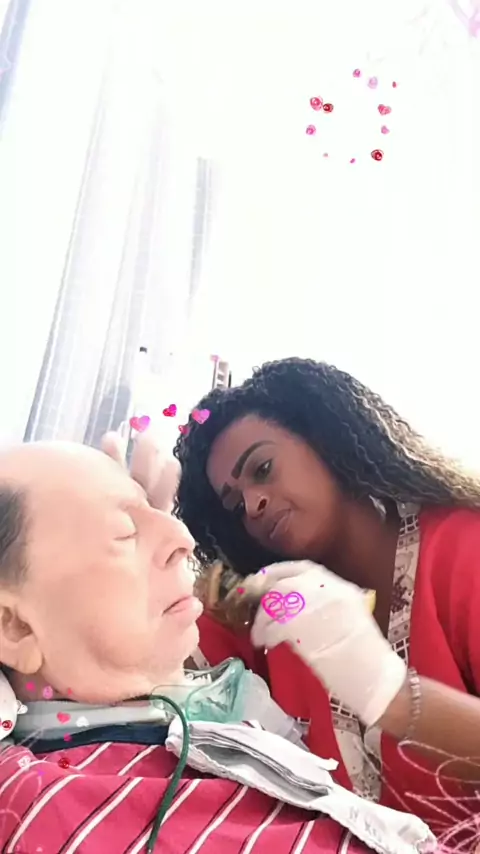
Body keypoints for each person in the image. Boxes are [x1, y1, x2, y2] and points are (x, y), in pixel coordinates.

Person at [0, 440, 432, 854]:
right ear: (15, 627)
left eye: (157, 510)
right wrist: (389, 695)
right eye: (124, 533)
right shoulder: (59, 810)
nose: (183, 538)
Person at [173, 356, 480, 843]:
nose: (252, 504)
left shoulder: (465, 548)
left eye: (262, 469)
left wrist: (393, 696)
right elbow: (160, 651)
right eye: (235, 505)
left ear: (324, 436)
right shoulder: (275, 608)